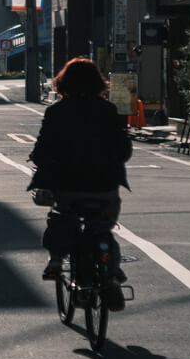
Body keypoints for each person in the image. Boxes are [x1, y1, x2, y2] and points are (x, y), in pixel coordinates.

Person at [28, 57, 132, 308]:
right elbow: (123, 149)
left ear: (63, 83)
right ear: (98, 82)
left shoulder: (56, 111)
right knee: (102, 227)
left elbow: (42, 150)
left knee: (61, 218)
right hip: (104, 186)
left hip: (67, 186)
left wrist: (40, 162)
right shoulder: (108, 110)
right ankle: (110, 272)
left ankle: (56, 259)